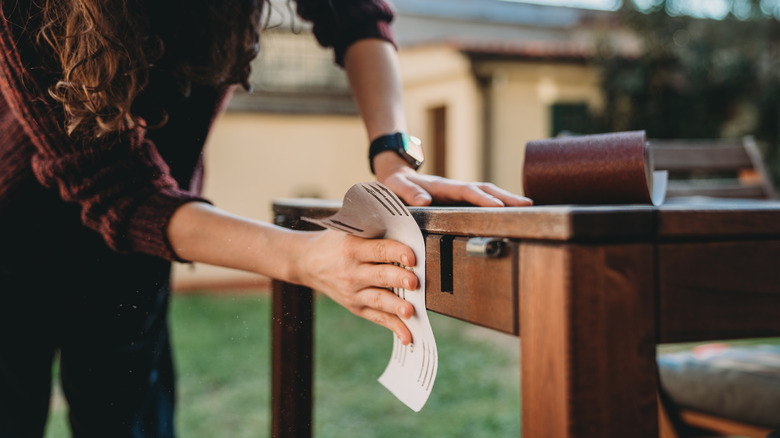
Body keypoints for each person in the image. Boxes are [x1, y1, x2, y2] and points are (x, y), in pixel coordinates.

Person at [0, 0, 532, 436]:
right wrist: (302, 258)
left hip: (144, 248)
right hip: (16, 233)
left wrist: (396, 156)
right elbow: (121, 189)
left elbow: (359, 16)